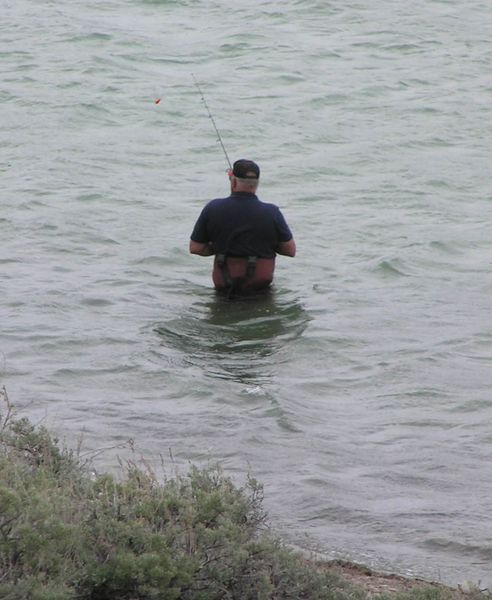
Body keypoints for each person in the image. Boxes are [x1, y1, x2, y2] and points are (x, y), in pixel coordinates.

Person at [189, 159, 296, 294]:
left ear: (233, 182)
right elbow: (290, 250)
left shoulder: (212, 208)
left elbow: (196, 248)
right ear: (256, 184)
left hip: (223, 292)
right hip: (260, 293)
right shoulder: (272, 212)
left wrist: (219, 247)